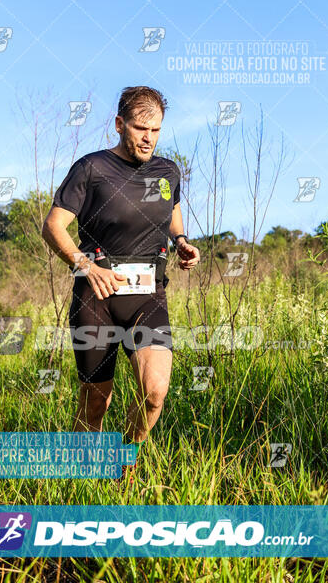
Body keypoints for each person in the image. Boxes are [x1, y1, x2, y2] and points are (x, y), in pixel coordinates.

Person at [42, 86, 200, 462]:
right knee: (96, 402)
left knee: (155, 394)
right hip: (95, 296)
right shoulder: (92, 168)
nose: (148, 138)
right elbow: (52, 227)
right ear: (119, 124)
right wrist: (84, 265)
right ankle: (83, 474)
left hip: (148, 295)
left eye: (156, 130)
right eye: (140, 128)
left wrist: (180, 240)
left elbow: (172, 206)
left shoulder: (167, 171)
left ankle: (121, 463)